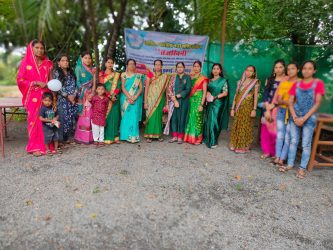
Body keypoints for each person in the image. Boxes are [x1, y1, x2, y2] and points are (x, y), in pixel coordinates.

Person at [285, 60, 325, 179]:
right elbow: (290, 102)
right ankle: (290, 164)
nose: (306, 71)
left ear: (314, 70)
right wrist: (295, 117)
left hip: (309, 117)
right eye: (304, 68)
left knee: (306, 144)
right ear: (301, 70)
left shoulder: (318, 83)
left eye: (309, 68)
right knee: (293, 141)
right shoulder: (296, 84)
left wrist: (304, 118)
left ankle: (302, 168)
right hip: (295, 116)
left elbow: (317, 103)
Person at [16, 40, 53, 156]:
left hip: (46, 97)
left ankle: (47, 144)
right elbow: (20, 80)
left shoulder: (48, 63)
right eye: (36, 47)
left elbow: (51, 81)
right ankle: (35, 147)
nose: (39, 50)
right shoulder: (25, 63)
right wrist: (36, 83)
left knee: (46, 119)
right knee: (34, 121)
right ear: (31, 49)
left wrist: (48, 87)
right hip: (32, 96)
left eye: (41, 48)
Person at [274, 63, 300, 169]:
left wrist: (288, 102)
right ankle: (277, 156)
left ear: (298, 70)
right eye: (288, 69)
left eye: (293, 69)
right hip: (281, 111)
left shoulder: (300, 83)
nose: (290, 71)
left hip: (293, 112)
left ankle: (282, 158)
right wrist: (288, 101)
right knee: (280, 135)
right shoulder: (284, 82)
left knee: (288, 137)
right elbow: (278, 99)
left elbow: (297, 101)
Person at [260, 59, 288, 159]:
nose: (278, 69)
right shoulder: (270, 79)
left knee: (277, 131)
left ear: (284, 67)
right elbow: (265, 94)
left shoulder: (287, 80)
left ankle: (276, 152)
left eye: (280, 67)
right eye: (276, 67)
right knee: (266, 130)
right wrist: (267, 108)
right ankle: (267, 151)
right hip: (267, 107)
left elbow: (286, 96)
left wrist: (274, 106)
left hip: (280, 108)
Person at [230, 65, 260, 153]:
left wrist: (254, 109)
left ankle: (243, 146)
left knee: (245, 126)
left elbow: (255, 97)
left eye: (251, 71)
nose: (249, 72)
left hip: (248, 108)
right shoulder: (240, 82)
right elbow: (236, 95)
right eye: (247, 70)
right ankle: (235, 143)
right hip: (238, 108)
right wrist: (232, 108)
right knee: (237, 124)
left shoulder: (255, 82)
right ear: (245, 71)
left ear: (254, 73)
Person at [164, 62, 192, 144]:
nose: (179, 68)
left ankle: (180, 137)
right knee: (174, 118)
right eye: (178, 67)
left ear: (184, 68)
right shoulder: (173, 77)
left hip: (183, 101)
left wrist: (177, 96)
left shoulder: (187, 77)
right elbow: (169, 89)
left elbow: (188, 89)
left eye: (181, 67)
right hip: (173, 101)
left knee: (182, 118)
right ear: (176, 68)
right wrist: (174, 99)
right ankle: (174, 136)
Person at [203, 63, 229, 148]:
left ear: (220, 70)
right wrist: (208, 93)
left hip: (218, 103)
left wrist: (215, 97)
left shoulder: (223, 81)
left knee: (215, 121)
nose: (215, 70)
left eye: (217, 69)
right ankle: (207, 138)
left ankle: (213, 141)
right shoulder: (209, 80)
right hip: (209, 102)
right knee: (208, 120)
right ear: (212, 70)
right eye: (214, 68)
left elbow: (225, 93)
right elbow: (206, 90)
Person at [143, 59, 170, 142]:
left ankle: (158, 135)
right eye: (156, 65)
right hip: (150, 99)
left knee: (158, 117)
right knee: (150, 116)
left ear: (162, 66)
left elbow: (166, 91)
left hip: (160, 99)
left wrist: (166, 102)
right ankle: (149, 135)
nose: (158, 66)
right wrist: (145, 101)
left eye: (159, 65)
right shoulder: (150, 75)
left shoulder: (165, 77)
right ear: (154, 66)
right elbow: (146, 88)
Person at [53, 54, 77, 144]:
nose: (66, 62)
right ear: (59, 62)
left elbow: (75, 85)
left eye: (67, 60)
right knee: (62, 118)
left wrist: (73, 95)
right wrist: (67, 96)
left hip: (72, 99)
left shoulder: (71, 72)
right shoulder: (56, 73)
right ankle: (61, 139)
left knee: (71, 118)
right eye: (63, 60)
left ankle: (69, 137)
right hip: (62, 99)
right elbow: (57, 87)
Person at [184, 61, 208, 145]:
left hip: (199, 99)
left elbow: (205, 92)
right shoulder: (191, 77)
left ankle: (198, 138)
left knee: (197, 118)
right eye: (194, 66)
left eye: (198, 66)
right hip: (191, 99)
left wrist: (202, 104)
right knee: (191, 117)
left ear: (200, 67)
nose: (196, 68)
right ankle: (190, 137)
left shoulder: (203, 78)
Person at [74, 51, 95, 144]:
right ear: (81, 58)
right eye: (85, 58)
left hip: (91, 95)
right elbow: (77, 82)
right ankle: (81, 137)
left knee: (90, 115)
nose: (88, 60)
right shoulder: (78, 68)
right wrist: (85, 92)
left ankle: (90, 137)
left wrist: (93, 92)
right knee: (83, 115)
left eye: (89, 58)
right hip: (82, 94)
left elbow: (94, 83)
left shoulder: (92, 70)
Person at [119, 59, 143, 143]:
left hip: (135, 98)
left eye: (133, 64)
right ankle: (124, 136)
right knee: (125, 117)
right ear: (127, 65)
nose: (131, 65)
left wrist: (135, 96)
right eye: (130, 64)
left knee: (133, 117)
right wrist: (129, 97)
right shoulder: (123, 75)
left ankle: (133, 136)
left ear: (135, 65)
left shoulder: (138, 76)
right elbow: (122, 87)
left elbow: (140, 88)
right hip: (125, 98)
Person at [99, 57, 121, 144]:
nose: (110, 64)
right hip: (105, 98)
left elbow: (118, 85)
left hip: (115, 99)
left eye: (112, 62)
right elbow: (101, 87)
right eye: (108, 62)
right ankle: (107, 136)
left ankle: (115, 136)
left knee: (115, 117)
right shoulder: (101, 75)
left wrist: (114, 95)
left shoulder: (116, 75)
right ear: (105, 64)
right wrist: (109, 95)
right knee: (106, 118)